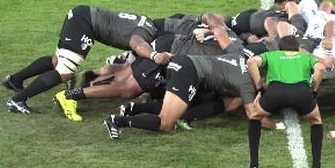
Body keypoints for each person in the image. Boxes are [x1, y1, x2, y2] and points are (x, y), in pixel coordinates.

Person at [2, 6, 169, 115]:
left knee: (57, 61)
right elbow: (137, 44)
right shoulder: (147, 32)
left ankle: (14, 80)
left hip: (82, 16)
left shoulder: (148, 24)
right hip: (85, 23)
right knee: (65, 71)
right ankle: (18, 100)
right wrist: (154, 56)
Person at [102, 52, 257, 139]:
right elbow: (253, 115)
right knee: (165, 123)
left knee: (175, 108)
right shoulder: (246, 83)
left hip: (184, 61)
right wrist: (277, 125)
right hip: (189, 73)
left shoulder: (240, 57)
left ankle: (132, 109)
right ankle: (117, 121)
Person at [245, 35, 330, 168]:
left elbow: (252, 62)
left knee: (255, 117)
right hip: (302, 93)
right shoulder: (305, 57)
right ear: (297, 49)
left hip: (275, 93)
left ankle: (253, 166)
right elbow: (321, 68)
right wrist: (314, 90)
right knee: (316, 121)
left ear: (280, 48)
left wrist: (259, 88)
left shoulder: (272, 55)